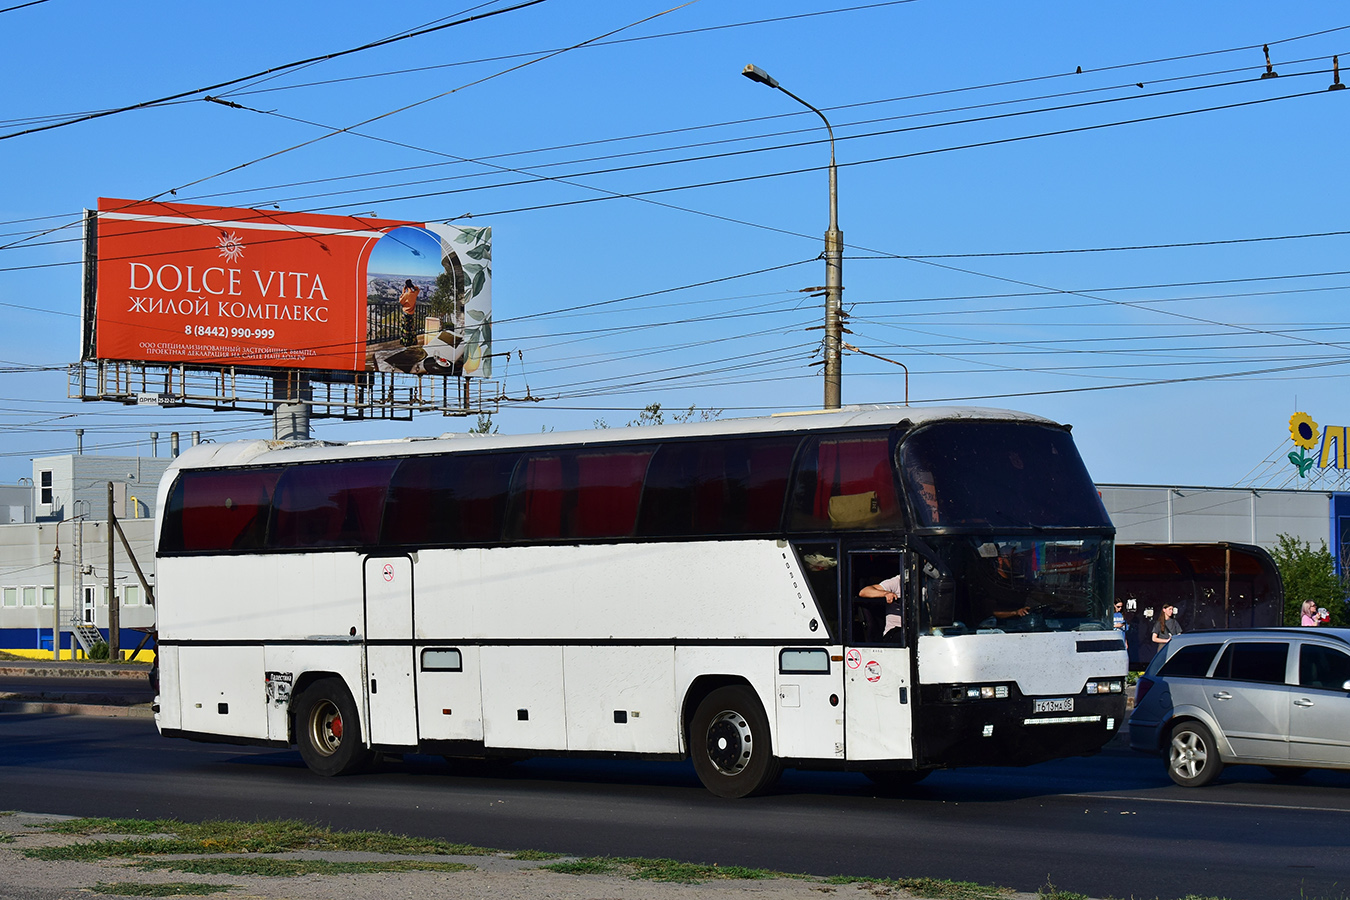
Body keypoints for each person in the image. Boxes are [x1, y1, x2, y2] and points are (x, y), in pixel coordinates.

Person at [858, 574, 905, 639]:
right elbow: (863, 592)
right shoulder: (897, 582)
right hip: (895, 633)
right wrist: (885, 593)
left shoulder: (922, 584)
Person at [399, 279, 420, 346]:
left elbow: (401, 301)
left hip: (406, 314)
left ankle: (405, 342)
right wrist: (413, 287)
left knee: (405, 328)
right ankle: (412, 342)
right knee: (411, 328)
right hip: (411, 314)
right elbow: (418, 290)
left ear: (406, 285)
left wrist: (403, 291)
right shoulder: (414, 294)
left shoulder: (406, 295)